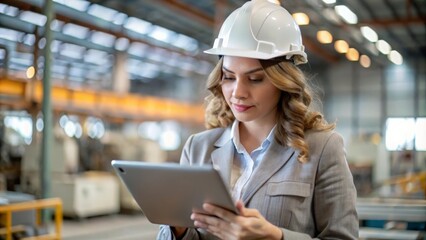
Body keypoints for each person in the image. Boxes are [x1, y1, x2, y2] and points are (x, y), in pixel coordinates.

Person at [157, 0, 358, 239]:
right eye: (229, 77)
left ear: (283, 81)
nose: (238, 92)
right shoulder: (197, 148)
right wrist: (177, 229)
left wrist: (276, 237)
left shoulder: (323, 148)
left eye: (255, 79)